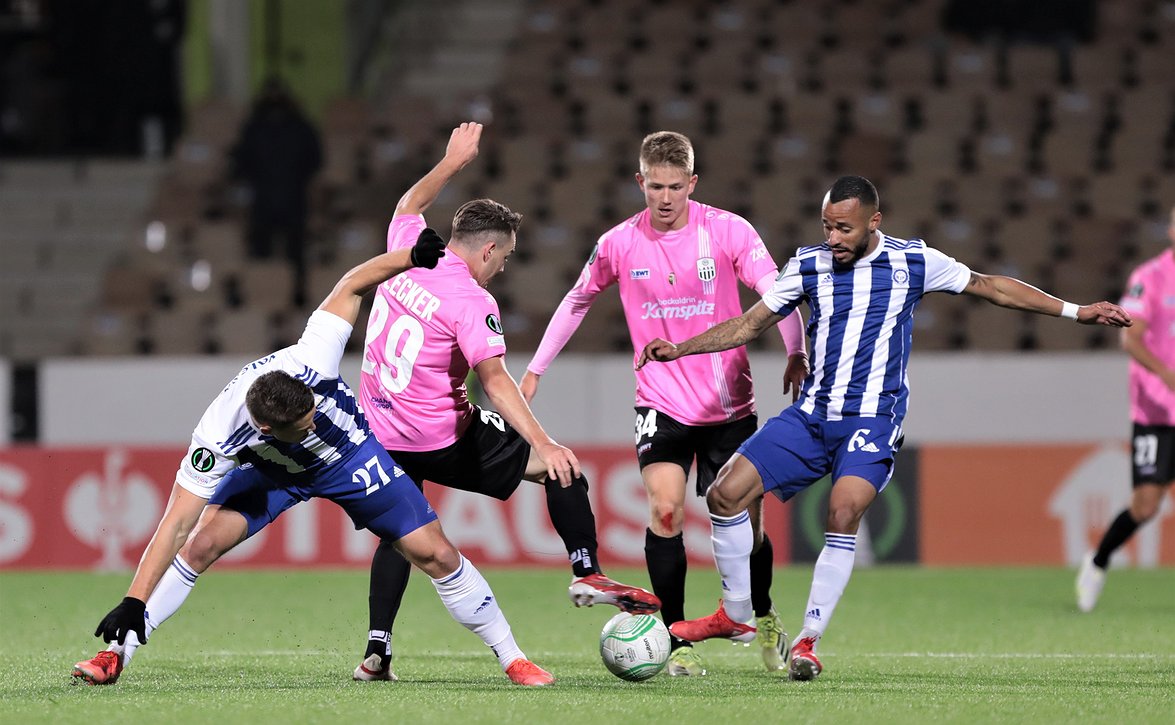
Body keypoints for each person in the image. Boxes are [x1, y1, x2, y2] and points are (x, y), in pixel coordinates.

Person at [638, 175, 1132, 681]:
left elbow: (990, 287)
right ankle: (737, 614)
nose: (834, 238)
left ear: (874, 222)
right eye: (827, 226)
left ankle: (808, 641)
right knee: (723, 496)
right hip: (812, 416)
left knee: (843, 508)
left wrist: (1077, 312)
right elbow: (748, 323)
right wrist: (680, 348)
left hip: (873, 418)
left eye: (845, 229)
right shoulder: (808, 265)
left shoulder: (913, 261)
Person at [72, 230, 556, 688]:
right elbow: (176, 521)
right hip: (275, 472)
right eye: (302, 424)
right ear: (265, 428)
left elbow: (350, 284)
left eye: (310, 412)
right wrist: (133, 599)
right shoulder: (217, 435)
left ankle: (512, 656)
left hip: (350, 457)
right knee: (198, 546)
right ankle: (116, 654)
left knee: (436, 553)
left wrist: (408, 258)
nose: (311, 423)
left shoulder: (312, 357)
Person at [355, 122, 659, 682]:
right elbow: (494, 380)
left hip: (376, 432)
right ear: (489, 248)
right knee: (561, 470)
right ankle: (587, 570)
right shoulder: (473, 300)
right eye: (506, 257)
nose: (504, 267)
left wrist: (451, 162)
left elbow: (408, 201)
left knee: (401, 533)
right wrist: (544, 441)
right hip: (438, 437)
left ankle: (377, 650)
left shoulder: (407, 251)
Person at [520, 131, 809, 677]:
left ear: (693, 183)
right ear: (640, 183)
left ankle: (764, 614)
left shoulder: (728, 231)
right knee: (666, 511)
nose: (667, 197)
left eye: (677, 186)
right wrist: (535, 369)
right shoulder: (618, 243)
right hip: (660, 404)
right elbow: (578, 299)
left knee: (749, 524)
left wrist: (796, 351)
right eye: (656, 186)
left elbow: (778, 294)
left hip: (728, 403)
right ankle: (677, 641)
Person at [1077, 204, 1175, 611]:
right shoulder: (1150, 277)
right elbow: (1131, 339)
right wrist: (1169, 376)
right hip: (1157, 410)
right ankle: (1097, 562)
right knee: (1146, 506)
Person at [231, 77, 323, 307]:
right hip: (263, 198)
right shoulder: (254, 127)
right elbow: (242, 161)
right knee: (261, 251)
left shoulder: (300, 127)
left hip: (293, 196)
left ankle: (296, 296)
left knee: (295, 251)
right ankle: (260, 296)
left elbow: (314, 159)